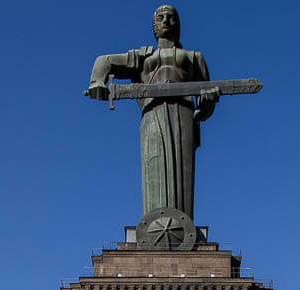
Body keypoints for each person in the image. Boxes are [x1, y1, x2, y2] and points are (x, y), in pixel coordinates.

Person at [87, 5, 219, 219]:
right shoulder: (143, 56)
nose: (166, 20)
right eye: (161, 17)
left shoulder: (194, 57)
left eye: (171, 17)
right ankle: (154, 223)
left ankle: (181, 224)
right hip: (152, 113)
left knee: (182, 170)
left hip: (183, 114)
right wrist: (97, 82)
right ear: (154, 26)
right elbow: (105, 61)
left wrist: (207, 103)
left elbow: (203, 109)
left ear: (179, 25)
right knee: (154, 165)